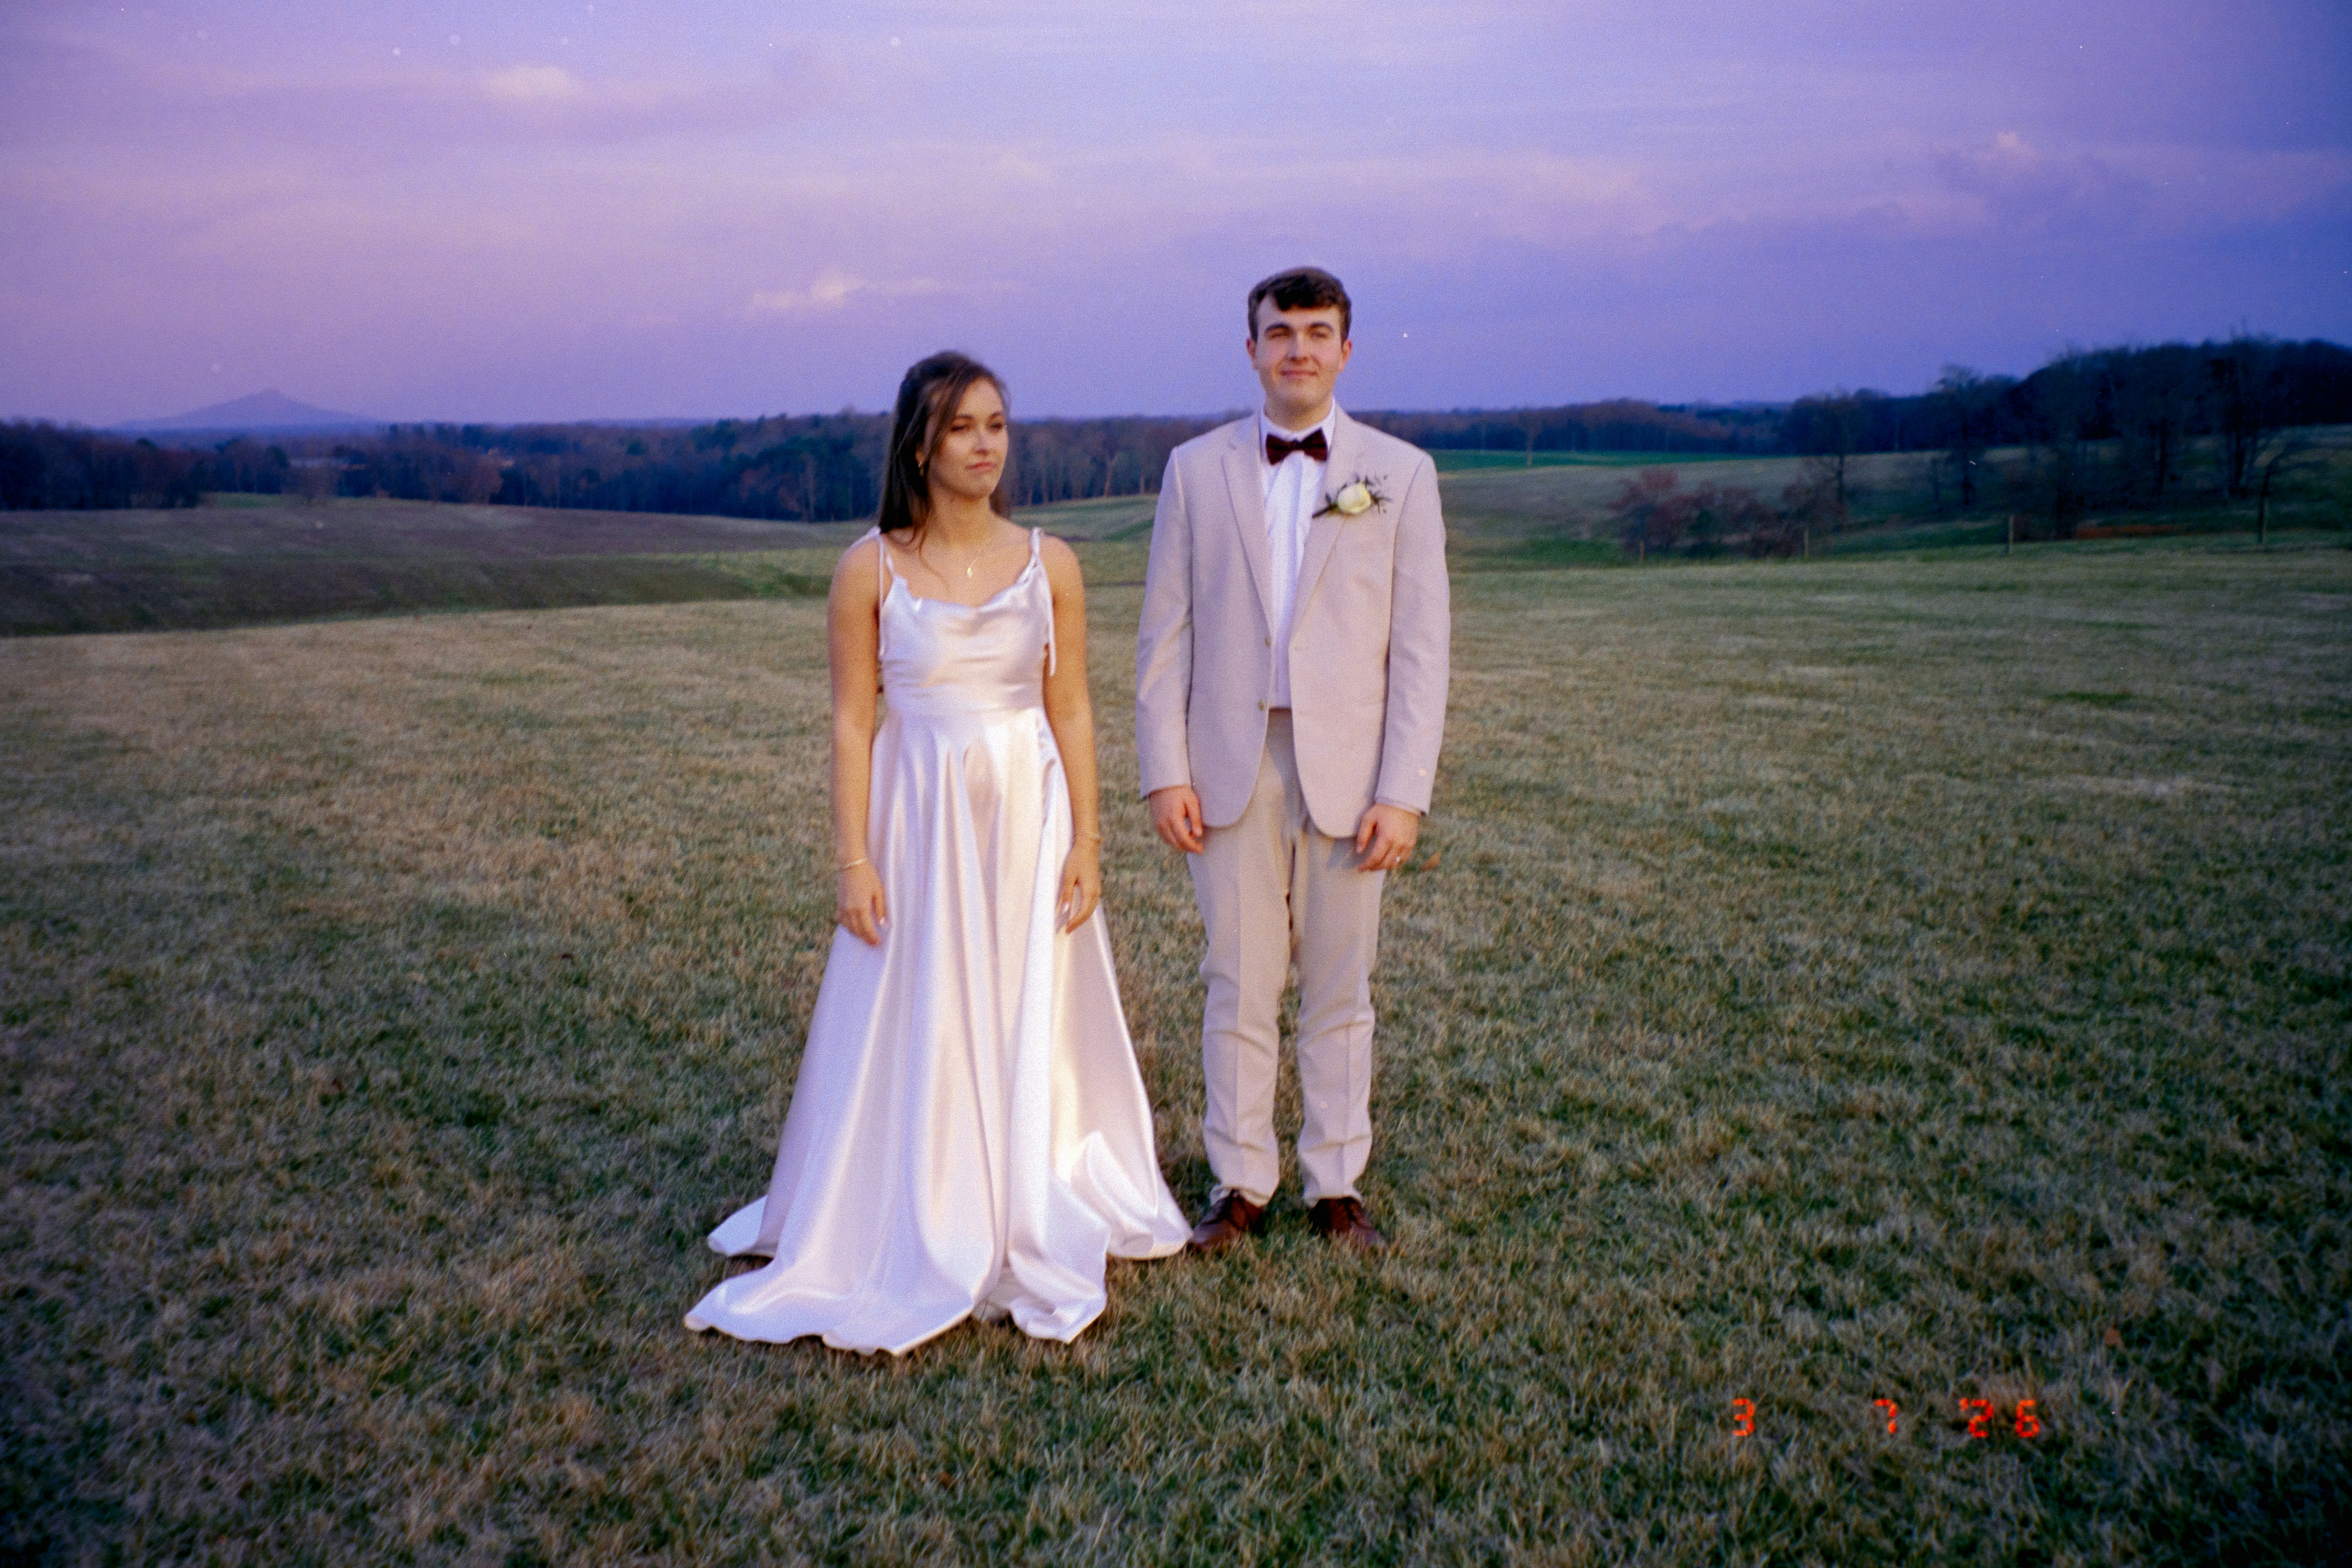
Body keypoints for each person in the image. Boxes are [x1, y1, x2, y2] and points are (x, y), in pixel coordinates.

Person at [685, 352, 1190, 1354]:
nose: (986, 445)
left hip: (1024, 814)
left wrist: (1088, 839)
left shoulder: (1052, 564)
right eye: (963, 427)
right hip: (916, 817)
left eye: (997, 424)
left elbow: (1073, 707)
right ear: (920, 441)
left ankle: (1025, 1193)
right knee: (916, 997)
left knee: (1020, 999)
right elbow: (849, 723)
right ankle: (914, 1199)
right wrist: (852, 862)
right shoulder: (868, 569)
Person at [1135, 267, 1450, 1254]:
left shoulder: (1400, 475)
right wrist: (1165, 770)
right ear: (1253, 349)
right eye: (1281, 333)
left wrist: (1403, 793)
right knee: (1237, 979)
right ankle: (1240, 1184)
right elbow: (1164, 638)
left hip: (1353, 774)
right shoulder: (1194, 470)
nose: (1299, 350)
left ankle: (1335, 1183)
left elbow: (1421, 649)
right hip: (1229, 761)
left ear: (1347, 351)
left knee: (1340, 986)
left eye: (1319, 333)